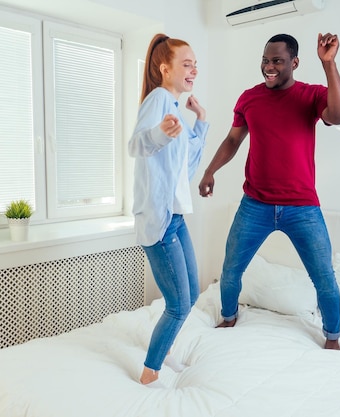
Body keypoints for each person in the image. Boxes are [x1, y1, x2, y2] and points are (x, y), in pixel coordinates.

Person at [198, 33, 340, 350]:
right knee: (230, 270)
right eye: (265, 61)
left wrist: (329, 63)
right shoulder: (249, 98)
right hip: (255, 204)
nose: (269, 67)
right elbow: (232, 141)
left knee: (323, 276)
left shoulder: (311, 96)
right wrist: (210, 171)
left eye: (277, 61)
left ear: (294, 63)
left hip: (302, 207)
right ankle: (228, 318)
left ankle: (333, 338)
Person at [128, 33, 208, 385]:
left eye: (195, 65)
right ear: (165, 69)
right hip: (158, 221)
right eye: (186, 64)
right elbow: (137, 145)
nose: (193, 71)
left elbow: (187, 167)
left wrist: (201, 120)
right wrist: (159, 133)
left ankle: (168, 353)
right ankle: (149, 373)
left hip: (176, 217)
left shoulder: (175, 107)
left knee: (190, 292)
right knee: (178, 304)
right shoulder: (158, 99)